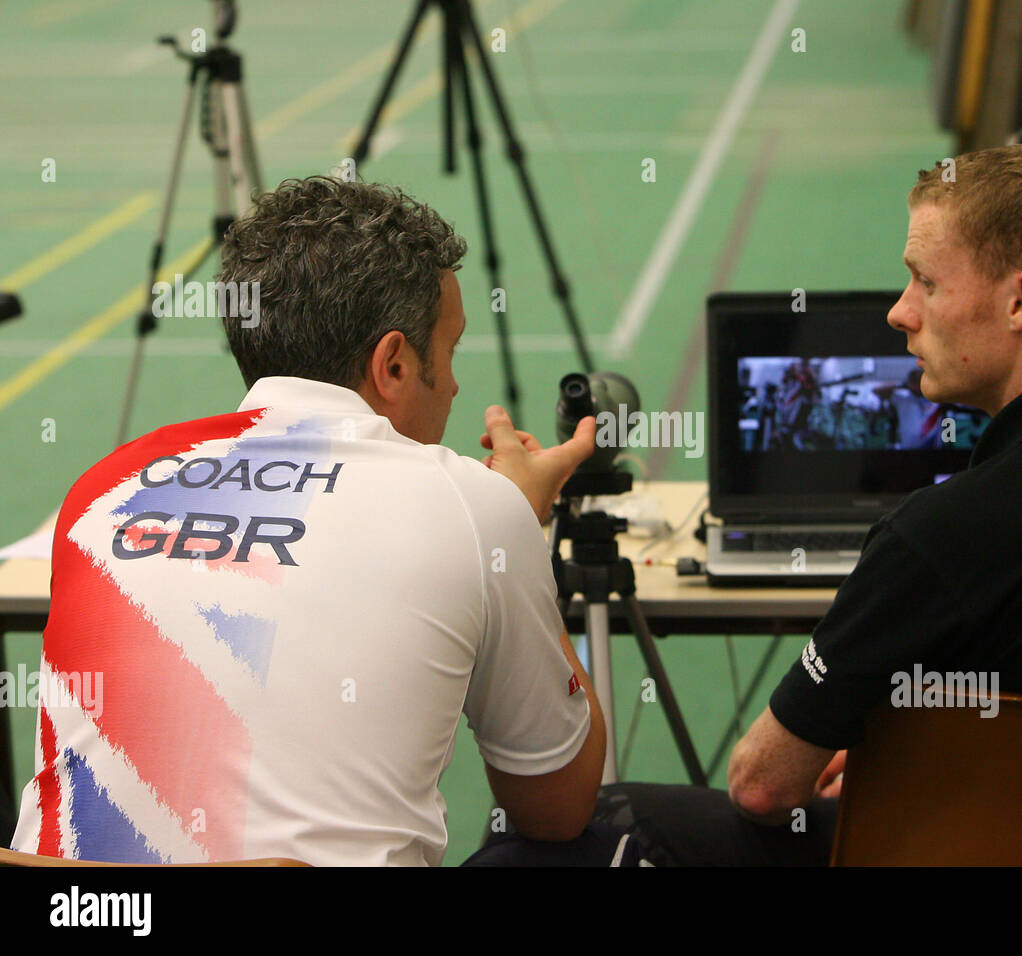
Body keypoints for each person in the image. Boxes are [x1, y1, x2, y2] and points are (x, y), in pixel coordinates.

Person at [597, 143, 1022, 864]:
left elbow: (763, 787)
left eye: (926, 282)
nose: (900, 313)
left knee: (600, 825)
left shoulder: (938, 537)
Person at [10, 176, 609, 866]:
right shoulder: (472, 505)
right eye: (447, 354)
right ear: (392, 363)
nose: (451, 385)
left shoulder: (103, 489)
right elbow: (557, 809)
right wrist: (514, 532)